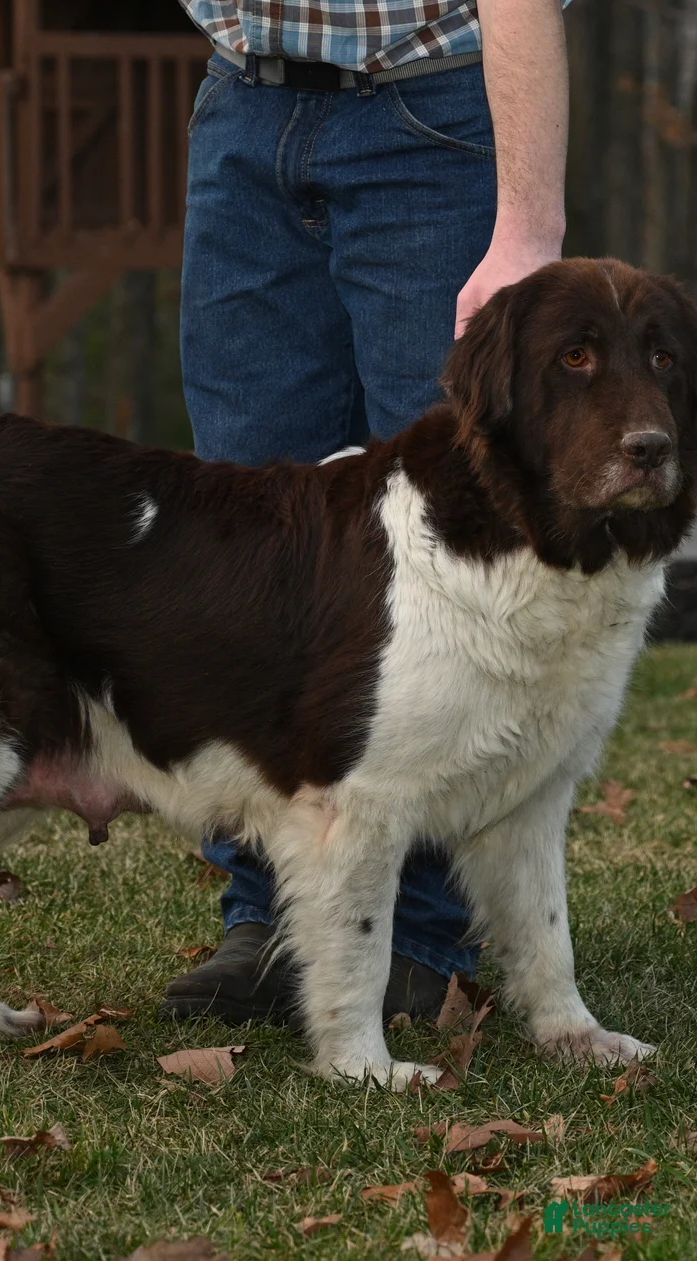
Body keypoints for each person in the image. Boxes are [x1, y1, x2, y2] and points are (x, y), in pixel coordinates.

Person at [164, 0, 569, 1026]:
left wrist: (527, 227)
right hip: (244, 107)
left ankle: (419, 934)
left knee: (451, 549)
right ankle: (270, 911)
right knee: (255, 542)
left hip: (432, 117)